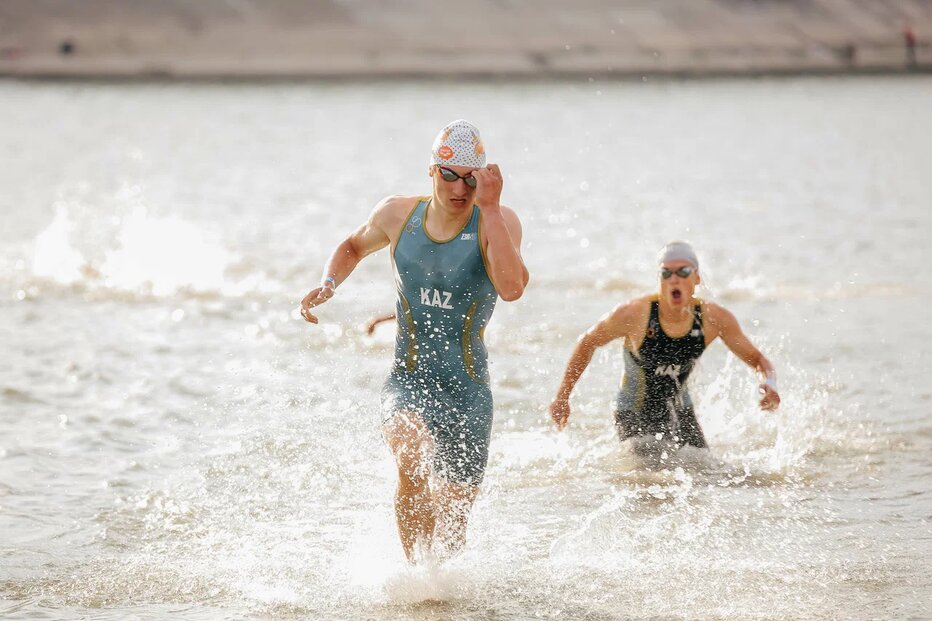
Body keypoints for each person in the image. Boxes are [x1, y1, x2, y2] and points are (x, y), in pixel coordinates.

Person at [300, 120, 528, 562]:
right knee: (411, 453)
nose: (459, 188)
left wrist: (494, 209)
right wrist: (328, 284)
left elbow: (512, 287)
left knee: (454, 518)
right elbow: (351, 245)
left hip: (468, 391)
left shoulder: (496, 222)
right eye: (449, 175)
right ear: (431, 170)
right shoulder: (396, 214)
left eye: (471, 178)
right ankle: (414, 576)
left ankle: (439, 583)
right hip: (409, 379)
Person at [549, 241, 779, 455]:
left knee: (705, 472)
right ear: (660, 280)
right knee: (646, 481)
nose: (674, 279)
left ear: (697, 277)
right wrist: (562, 397)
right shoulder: (634, 314)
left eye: (683, 272)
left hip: (680, 410)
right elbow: (588, 342)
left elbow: (756, 358)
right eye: (666, 273)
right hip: (632, 411)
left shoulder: (714, 318)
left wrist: (769, 384)